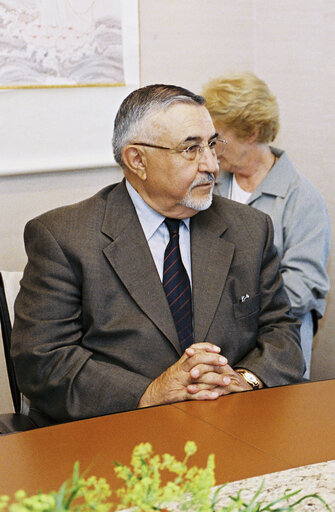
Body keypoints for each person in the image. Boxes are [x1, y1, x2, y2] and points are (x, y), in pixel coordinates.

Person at [11, 84, 305, 426]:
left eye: (212, 145)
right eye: (191, 149)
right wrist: (149, 393)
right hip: (113, 434)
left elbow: (282, 331)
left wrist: (243, 379)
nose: (212, 164)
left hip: (229, 426)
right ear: (137, 160)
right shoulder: (64, 237)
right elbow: (41, 360)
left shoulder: (250, 229)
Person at [201, 72, 330, 379]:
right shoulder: (210, 185)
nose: (211, 148)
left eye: (218, 137)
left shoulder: (301, 198)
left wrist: (234, 309)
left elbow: (302, 285)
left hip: (274, 348)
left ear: (251, 132)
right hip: (215, 346)